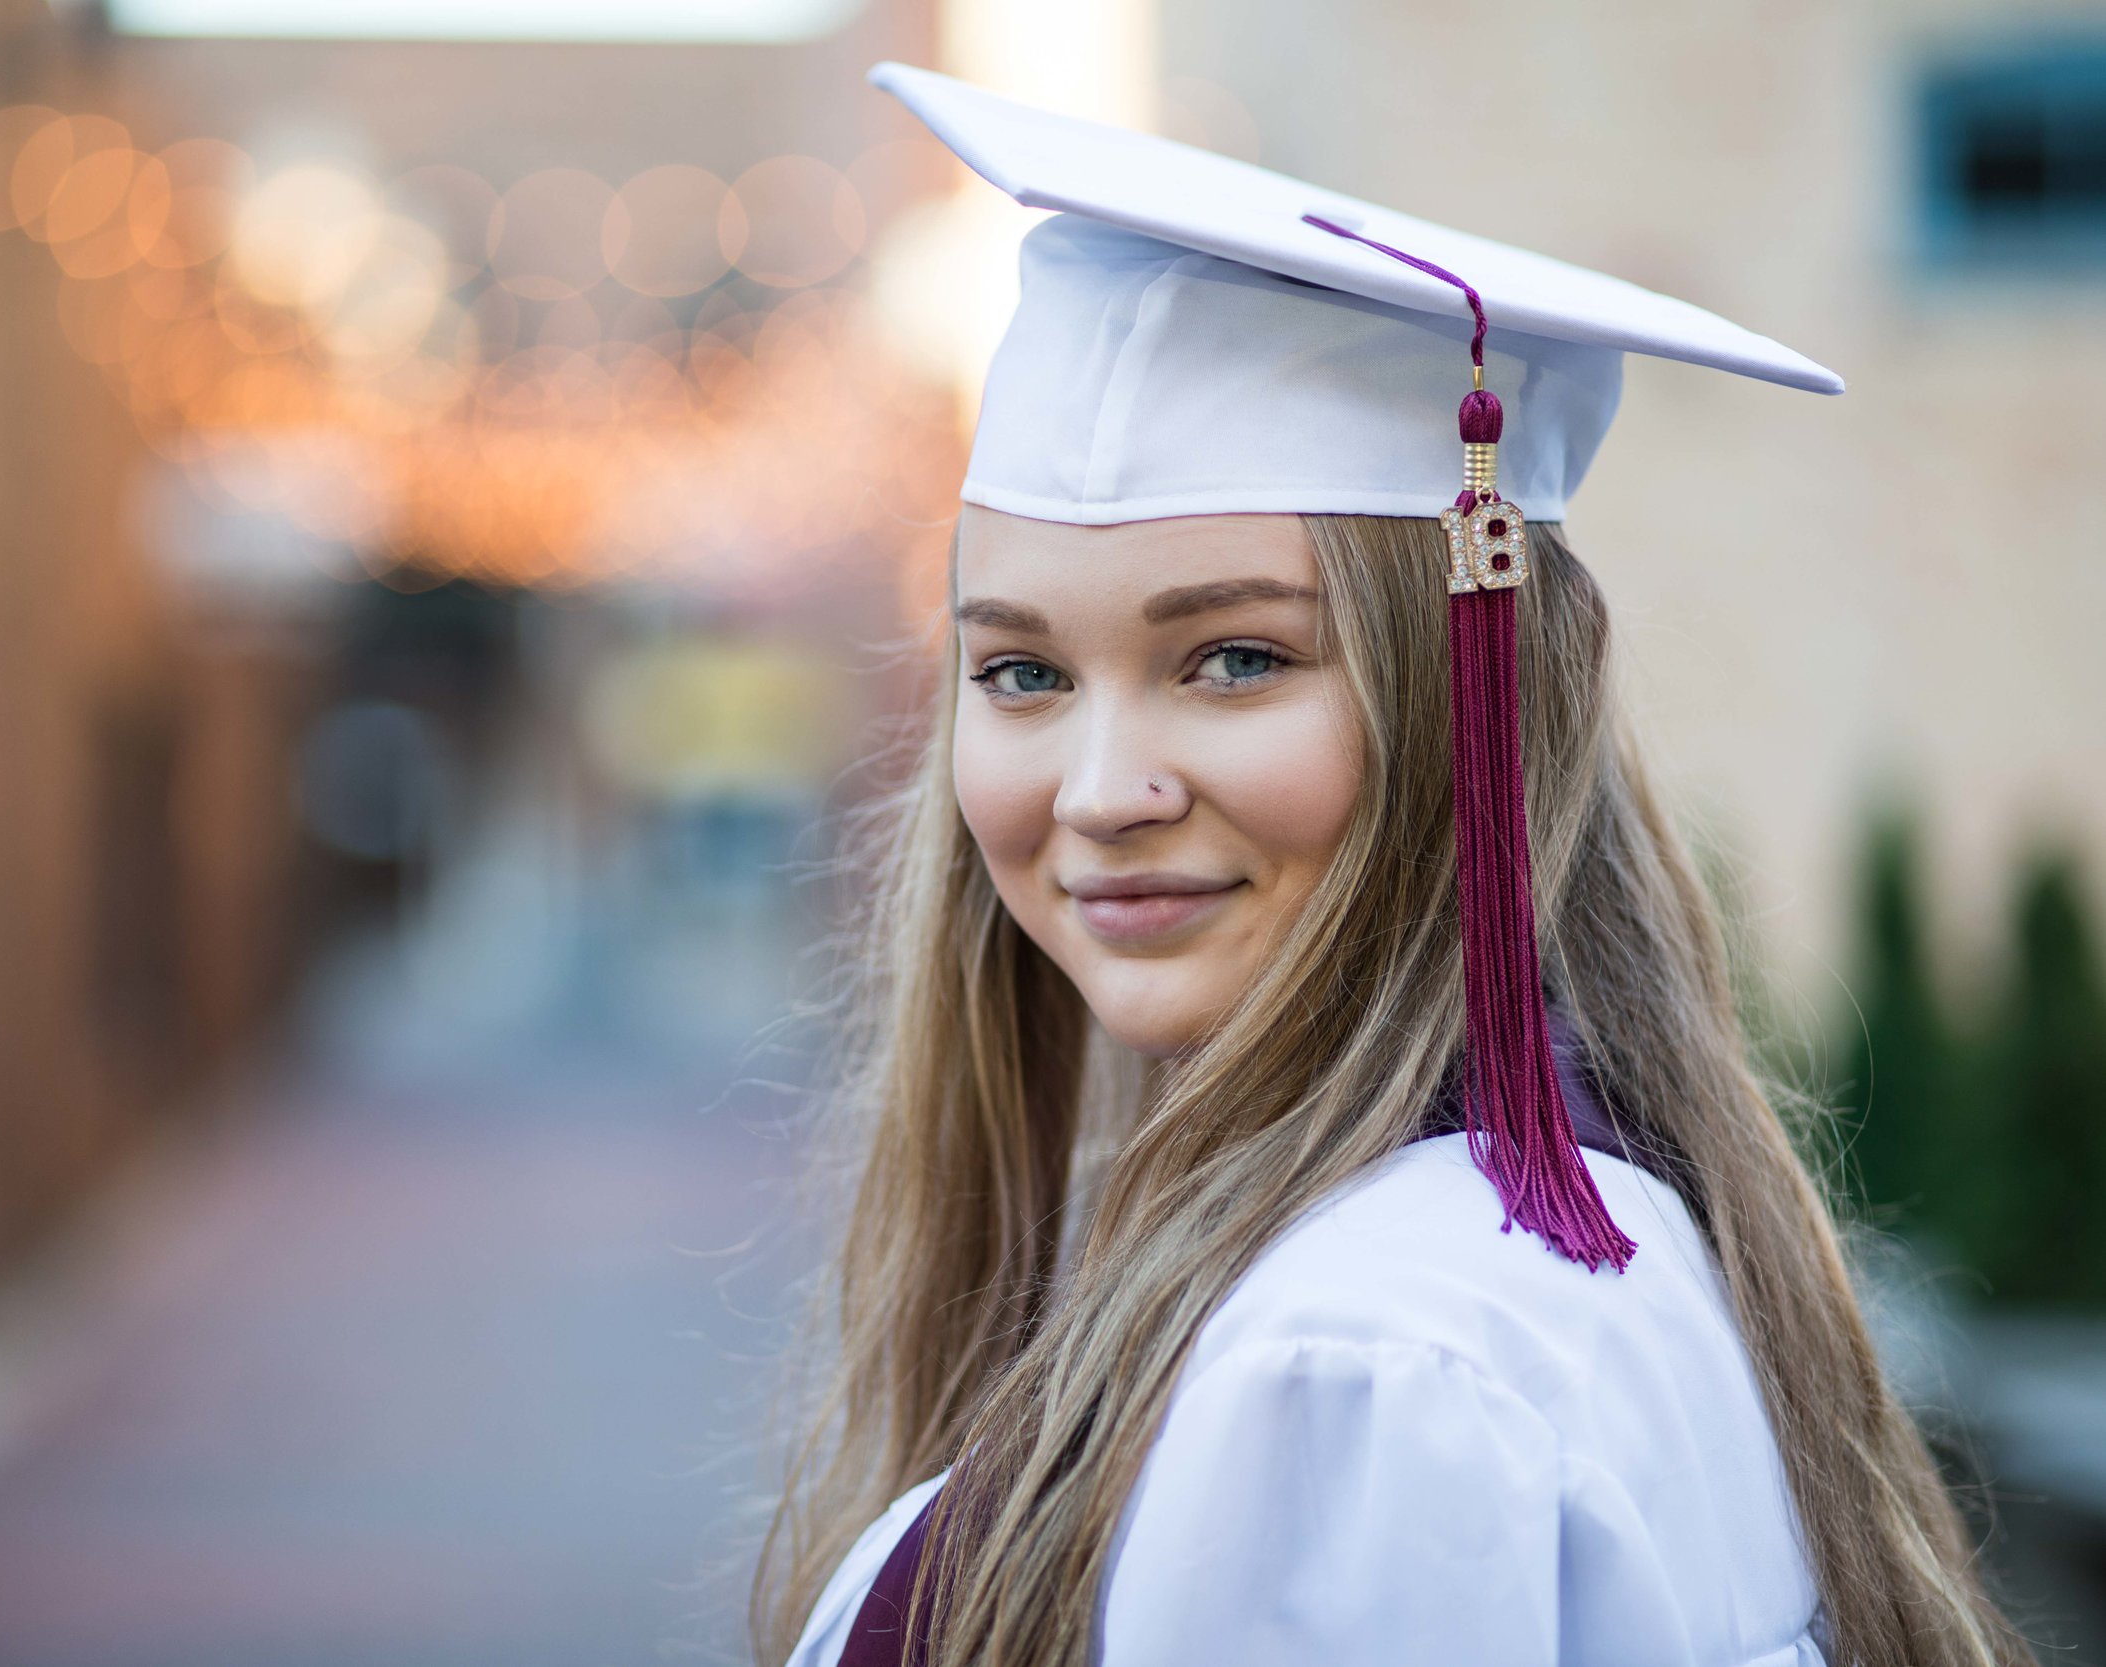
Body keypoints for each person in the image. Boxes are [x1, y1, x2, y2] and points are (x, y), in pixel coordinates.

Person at [750, 65, 2036, 1667]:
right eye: (1020, 674)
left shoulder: (1356, 1367)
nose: (1100, 790)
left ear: (1470, 706)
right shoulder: (1583, 1245)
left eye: (1233, 659)